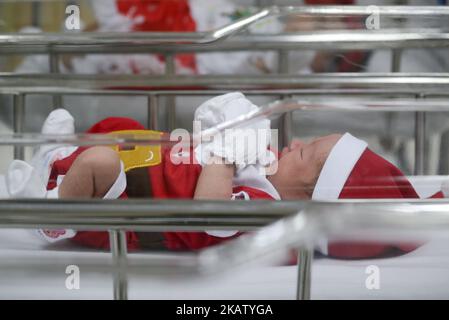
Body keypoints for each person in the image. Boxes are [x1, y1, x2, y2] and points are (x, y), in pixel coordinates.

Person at [5, 93, 447, 259]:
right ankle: (55, 161)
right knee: (117, 129)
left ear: (311, 197)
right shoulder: (269, 165)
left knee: (100, 163)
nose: (294, 144)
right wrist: (231, 131)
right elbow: (216, 137)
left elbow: (212, 212)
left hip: (126, 209)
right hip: (150, 161)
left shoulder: (268, 212)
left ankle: (58, 212)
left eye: (307, 151)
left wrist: (226, 150)